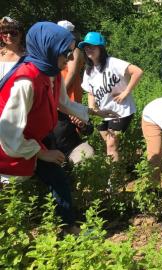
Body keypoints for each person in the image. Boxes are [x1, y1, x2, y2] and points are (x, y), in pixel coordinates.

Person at [0, 22, 119, 236]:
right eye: (66, 52)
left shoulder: (51, 72)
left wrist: (94, 112)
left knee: (57, 176)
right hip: (9, 147)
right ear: (48, 49)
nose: (71, 58)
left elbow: (63, 103)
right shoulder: (26, 81)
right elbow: (7, 132)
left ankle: (68, 229)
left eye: (72, 51)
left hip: (30, 141)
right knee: (9, 188)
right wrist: (42, 153)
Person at [79, 32, 143, 164]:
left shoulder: (112, 62)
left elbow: (137, 71)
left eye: (92, 46)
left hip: (121, 110)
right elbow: (90, 93)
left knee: (111, 146)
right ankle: (118, 170)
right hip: (102, 112)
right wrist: (92, 110)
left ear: (101, 48)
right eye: (86, 47)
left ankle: (112, 182)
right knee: (107, 146)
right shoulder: (88, 71)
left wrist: (125, 92)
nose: (88, 49)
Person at [57, 20, 85, 103]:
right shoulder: (61, 50)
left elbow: (72, 72)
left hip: (69, 86)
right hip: (60, 84)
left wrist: (61, 92)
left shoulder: (75, 51)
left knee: (71, 113)